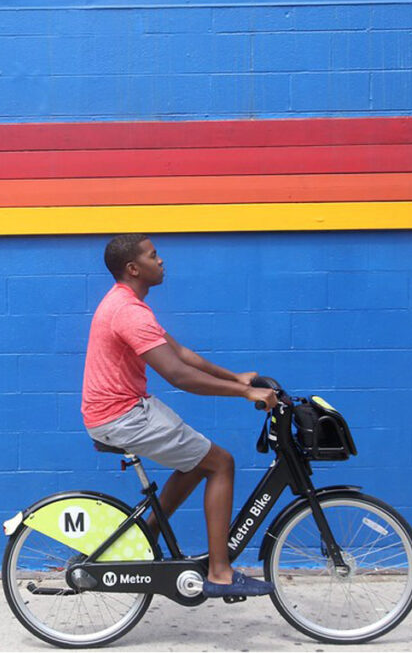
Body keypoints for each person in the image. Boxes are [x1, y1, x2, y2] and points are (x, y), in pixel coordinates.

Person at [81, 233, 279, 598]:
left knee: (198, 461)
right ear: (133, 268)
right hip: (123, 415)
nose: (162, 261)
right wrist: (246, 393)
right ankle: (220, 573)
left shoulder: (129, 305)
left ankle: (145, 537)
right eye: (153, 256)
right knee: (221, 464)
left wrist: (234, 376)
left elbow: (183, 354)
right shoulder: (127, 311)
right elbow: (178, 374)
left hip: (122, 409)